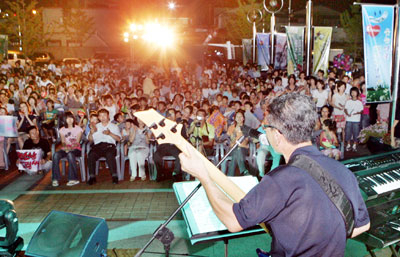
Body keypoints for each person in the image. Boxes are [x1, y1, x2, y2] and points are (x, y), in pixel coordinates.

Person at [179, 93, 370, 256]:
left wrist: (204, 177)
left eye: (268, 128)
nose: (266, 132)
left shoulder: (281, 179)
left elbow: (232, 220)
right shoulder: (343, 171)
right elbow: (362, 226)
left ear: (278, 135)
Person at [87, 108, 121, 185]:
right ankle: (92, 177)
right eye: (101, 116)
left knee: (109, 155)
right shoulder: (95, 126)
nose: (103, 117)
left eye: (104, 115)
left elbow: (119, 139)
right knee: (91, 154)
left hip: (109, 146)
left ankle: (114, 176)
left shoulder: (114, 126)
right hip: (98, 146)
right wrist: (91, 133)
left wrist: (110, 134)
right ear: (98, 117)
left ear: (108, 116)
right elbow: (90, 140)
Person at [51, 111, 83, 187]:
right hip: (66, 148)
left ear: (73, 119)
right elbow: (63, 142)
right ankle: (55, 179)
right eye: (67, 118)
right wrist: (65, 147)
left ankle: (73, 179)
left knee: (70, 154)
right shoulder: (62, 130)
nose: (69, 120)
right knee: (56, 155)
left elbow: (77, 142)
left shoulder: (78, 129)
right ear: (64, 120)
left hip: (76, 149)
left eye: (71, 118)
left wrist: (70, 148)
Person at [344, 87, 363, 152]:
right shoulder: (348, 101)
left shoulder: (359, 102)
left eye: (355, 92)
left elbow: (361, 110)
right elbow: (345, 109)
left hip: (356, 120)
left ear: (357, 93)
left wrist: (358, 112)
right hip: (349, 119)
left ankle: (354, 145)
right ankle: (348, 144)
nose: (353, 94)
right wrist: (347, 114)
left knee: (356, 132)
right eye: (352, 92)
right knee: (348, 131)